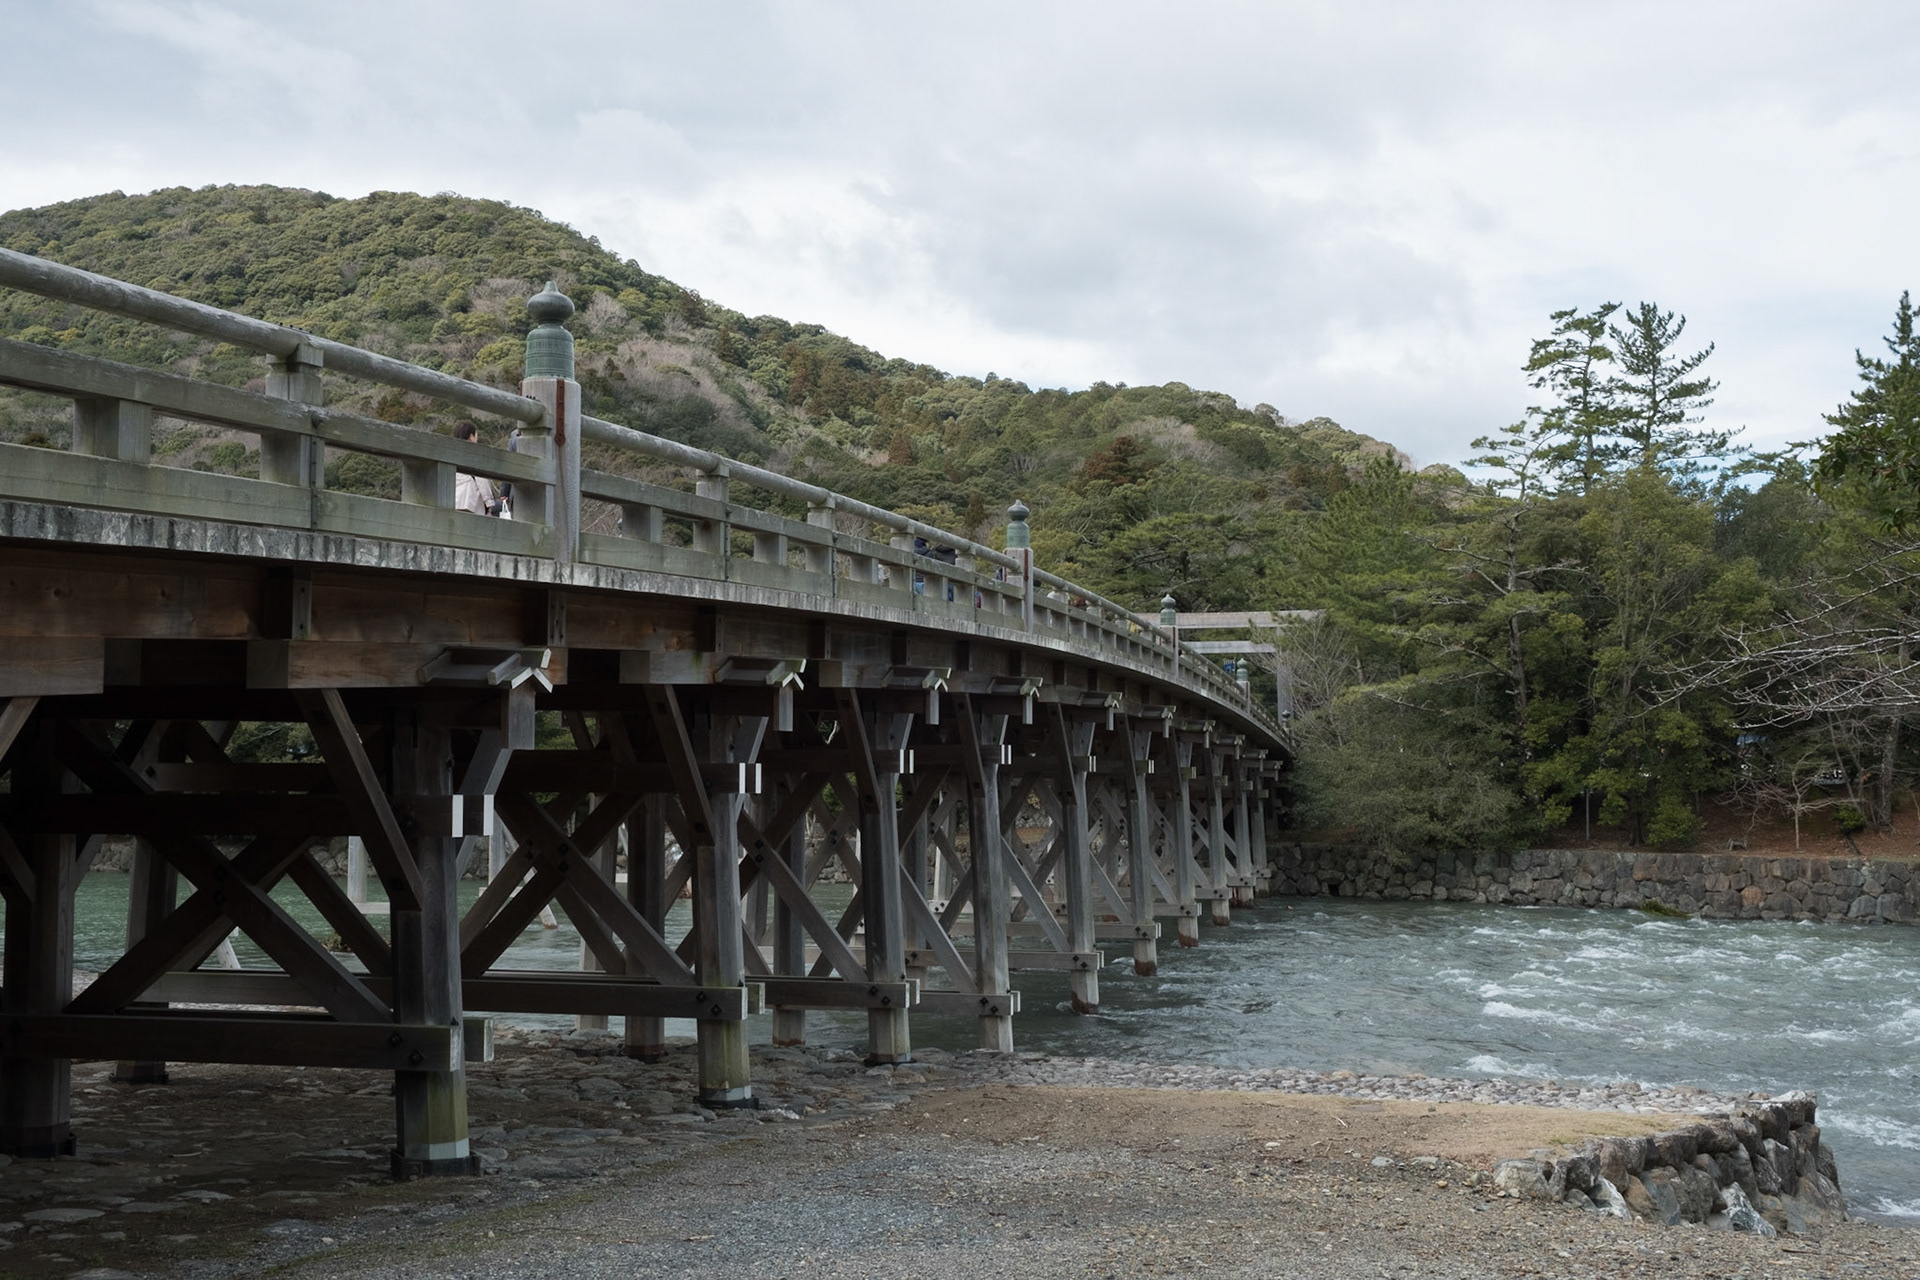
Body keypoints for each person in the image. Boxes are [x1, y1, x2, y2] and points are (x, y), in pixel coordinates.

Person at [452, 420, 500, 516]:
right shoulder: (475, 455)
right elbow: (482, 481)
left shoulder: (451, 453)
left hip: (453, 501)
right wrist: (489, 504)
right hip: (470, 502)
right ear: (471, 436)